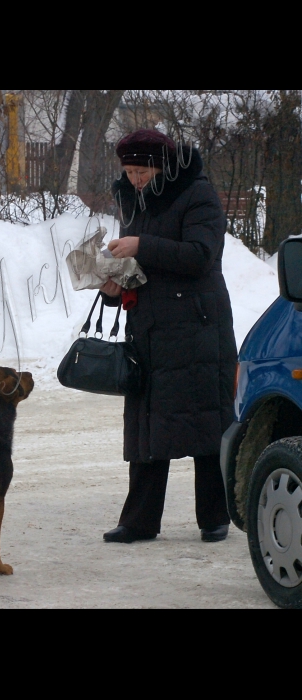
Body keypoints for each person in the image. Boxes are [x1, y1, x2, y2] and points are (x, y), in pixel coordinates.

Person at [100, 129, 237, 544]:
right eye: (129, 171)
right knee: (146, 424)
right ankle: (139, 521)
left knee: (205, 421)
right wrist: (113, 285)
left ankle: (215, 517)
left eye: (142, 170)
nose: (136, 178)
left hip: (199, 327)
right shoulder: (134, 198)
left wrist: (141, 244)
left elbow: (200, 255)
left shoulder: (198, 195)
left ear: (162, 166)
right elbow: (142, 268)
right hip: (150, 327)